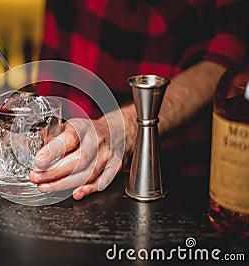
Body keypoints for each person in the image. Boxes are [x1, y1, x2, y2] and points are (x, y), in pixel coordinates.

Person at [28, 0, 249, 200]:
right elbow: (54, 64)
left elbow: (226, 61)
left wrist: (120, 129)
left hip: (176, 179)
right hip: (69, 172)